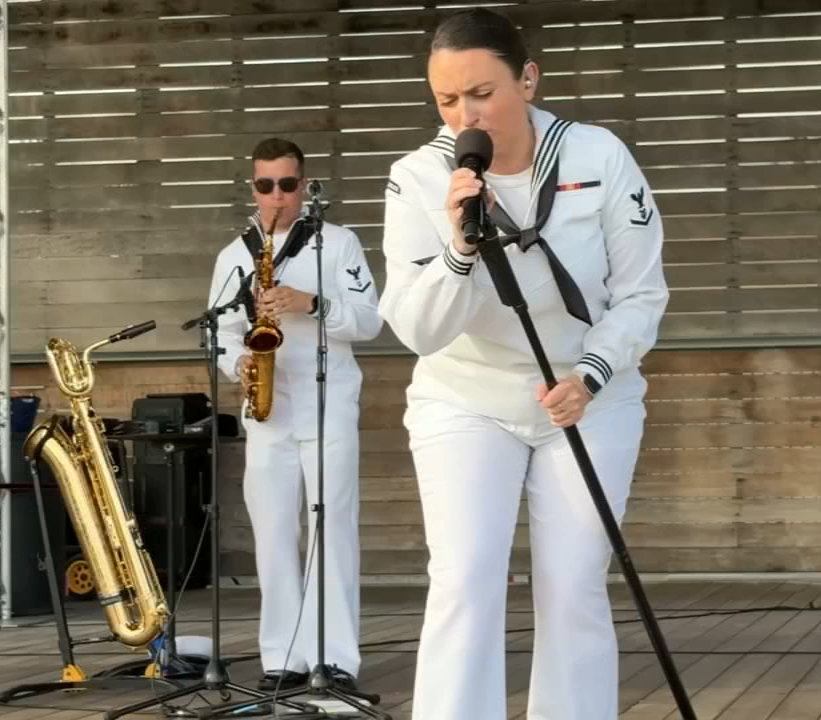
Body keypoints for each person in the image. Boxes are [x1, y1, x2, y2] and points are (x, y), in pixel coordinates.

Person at [377, 8, 668, 720]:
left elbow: (641, 294)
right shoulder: (417, 178)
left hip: (588, 396)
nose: (464, 115)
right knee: (466, 581)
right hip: (465, 399)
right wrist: (459, 248)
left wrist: (592, 373)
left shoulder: (598, 157)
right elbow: (418, 329)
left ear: (528, 79)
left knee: (572, 585)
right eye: (447, 100)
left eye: (481, 93)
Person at [206, 137, 382, 691]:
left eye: (287, 184)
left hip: (328, 406)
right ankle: (282, 658)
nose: (276, 196)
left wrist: (310, 303)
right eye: (265, 185)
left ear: (304, 186)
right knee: (275, 535)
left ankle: (336, 660)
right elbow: (220, 335)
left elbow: (371, 320)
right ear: (252, 187)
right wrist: (241, 367)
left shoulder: (339, 243)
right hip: (268, 412)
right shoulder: (235, 255)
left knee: (333, 531)